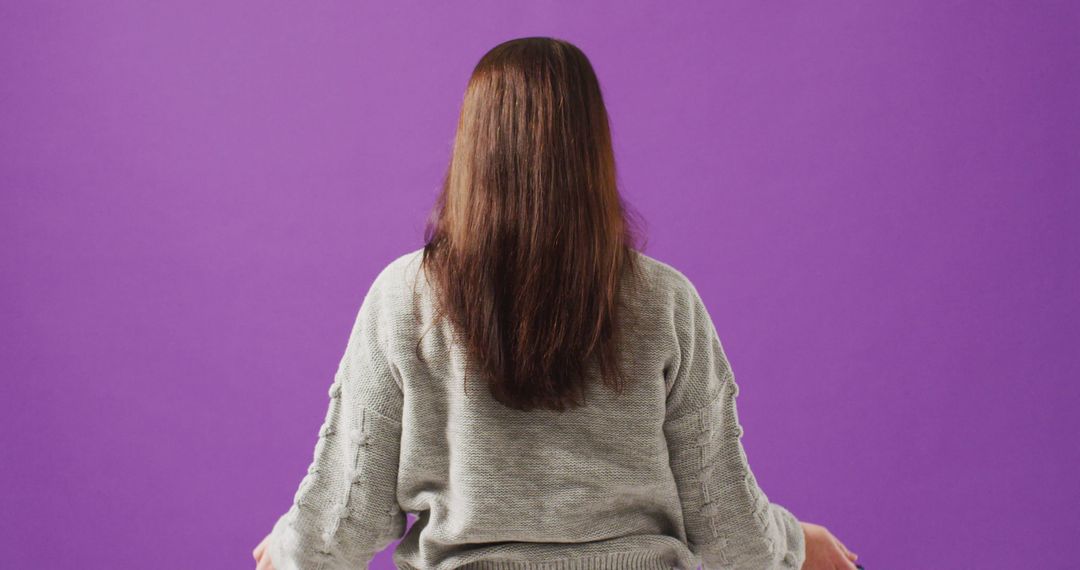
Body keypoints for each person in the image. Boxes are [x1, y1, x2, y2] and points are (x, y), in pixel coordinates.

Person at [253, 36, 860, 570]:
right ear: (593, 148)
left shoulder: (404, 299)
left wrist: (290, 546)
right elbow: (730, 532)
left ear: (472, 147)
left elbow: (340, 524)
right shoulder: (665, 301)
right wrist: (795, 543)